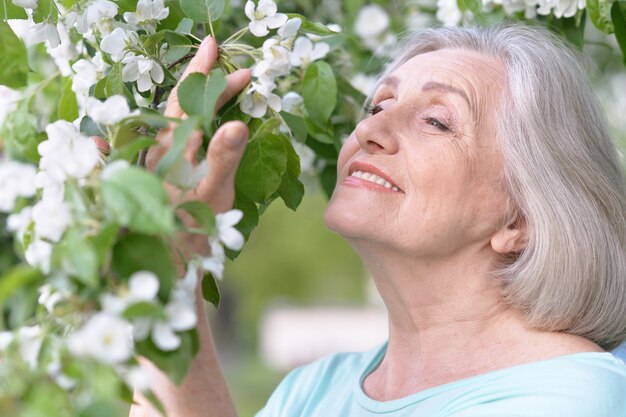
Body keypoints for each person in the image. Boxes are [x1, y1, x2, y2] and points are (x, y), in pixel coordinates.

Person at [129, 24, 626, 417]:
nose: (370, 128)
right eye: (379, 104)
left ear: (520, 218)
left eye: (436, 121)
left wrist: (178, 267)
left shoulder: (574, 395)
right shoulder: (313, 389)